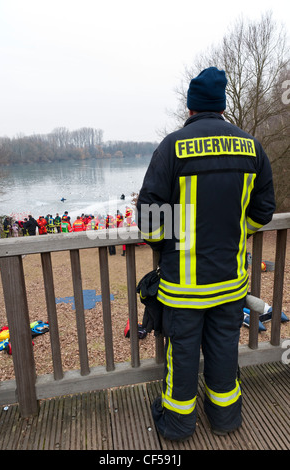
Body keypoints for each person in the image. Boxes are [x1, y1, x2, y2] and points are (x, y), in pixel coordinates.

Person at [136, 67, 276, 441]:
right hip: (230, 283)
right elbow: (262, 212)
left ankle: (178, 425)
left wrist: (169, 245)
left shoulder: (173, 146)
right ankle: (226, 419)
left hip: (183, 287)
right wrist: (234, 232)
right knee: (223, 351)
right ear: (223, 106)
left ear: (191, 108)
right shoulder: (251, 147)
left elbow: (149, 215)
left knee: (181, 356)